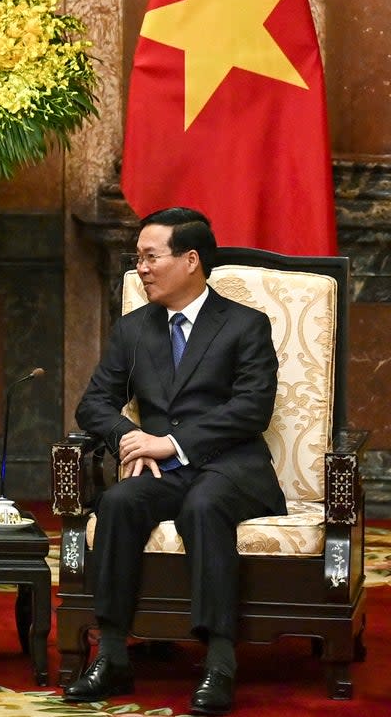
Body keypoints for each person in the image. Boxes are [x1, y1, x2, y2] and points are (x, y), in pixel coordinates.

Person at [64, 207, 285, 717]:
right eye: (137, 258)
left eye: (150, 256)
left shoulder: (245, 325)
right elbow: (94, 403)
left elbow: (251, 409)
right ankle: (114, 654)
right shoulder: (134, 329)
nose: (140, 268)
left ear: (190, 260)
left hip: (231, 466)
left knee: (205, 505)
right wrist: (132, 436)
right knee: (118, 502)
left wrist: (173, 442)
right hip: (162, 470)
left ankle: (220, 661)